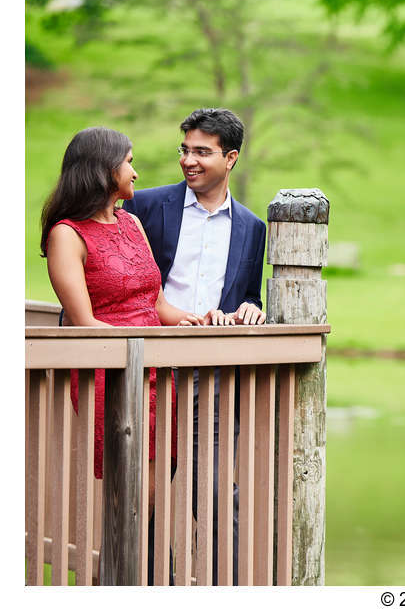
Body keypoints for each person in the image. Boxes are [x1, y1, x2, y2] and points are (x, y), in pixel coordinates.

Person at [41, 127, 213, 572]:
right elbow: (84, 323)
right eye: (129, 162)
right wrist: (141, 348)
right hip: (114, 373)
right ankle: (117, 577)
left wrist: (190, 318)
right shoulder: (67, 234)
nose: (136, 172)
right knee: (128, 488)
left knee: (153, 487)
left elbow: (153, 302)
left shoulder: (131, 223)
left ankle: (132, 574)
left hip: (158, 371)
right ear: (103, 170)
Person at [123, 107, 266, 585]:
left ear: (231, 159)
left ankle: (231, 589)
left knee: (216, 492)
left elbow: (247, 292)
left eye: (202, 152)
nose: (189, 160)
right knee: (142, 490)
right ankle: (146, 584)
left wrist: (251, 307)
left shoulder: (252, 228)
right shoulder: (144, 205)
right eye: (185, 149)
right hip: (149, 369)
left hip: (213, 376)